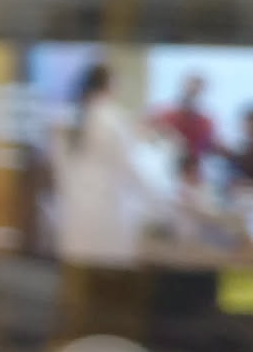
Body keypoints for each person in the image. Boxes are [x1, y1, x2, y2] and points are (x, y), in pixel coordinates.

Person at [51, 62, 171, 267]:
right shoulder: (112, 120)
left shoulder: (65, 119)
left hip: (74, 211)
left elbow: (60, 172)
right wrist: (161, 203)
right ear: (110, 85)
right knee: (107, 275)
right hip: (107, 213)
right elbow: (130, 168)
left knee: (78, 272)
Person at [152, 72, 219, 164]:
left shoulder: (205, 123)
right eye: (189, 91)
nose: (191, 95)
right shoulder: (164, 115)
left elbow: (208, 147)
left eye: (195, 92)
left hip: (191, 166)